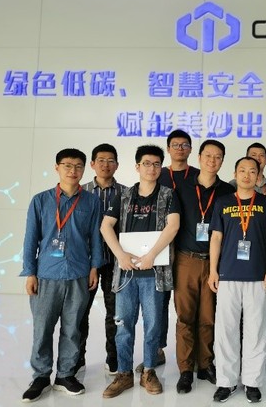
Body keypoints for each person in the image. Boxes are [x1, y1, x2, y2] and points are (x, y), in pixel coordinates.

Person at [21, 148, 103, 402]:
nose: (73, 170)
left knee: (72, 328)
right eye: (67, 165)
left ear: (84, 169)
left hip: (79, 273)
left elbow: (96, 238)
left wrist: (94, 267)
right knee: (42, 328)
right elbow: (30, 239)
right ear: (57, 168)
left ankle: (66, 375)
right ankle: (41, 376)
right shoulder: (40, 201)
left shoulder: (91, 202)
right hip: (46, 274)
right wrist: (30, 272)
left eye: (78, 166)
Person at [101, 145, 180, 398]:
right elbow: (106, 226)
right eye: (146, 163)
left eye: (157, 164)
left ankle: (148, 371)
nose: (152, 168)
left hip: (154, 273)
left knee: (153, 325)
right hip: (126, 274)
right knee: (123, 325)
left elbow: (173, 226)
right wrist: (120, 255)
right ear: (137, 166)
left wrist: (151, 255)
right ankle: (124, 373)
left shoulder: (168, 195)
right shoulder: (123, 196)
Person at [208, 156, 266, 403]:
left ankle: (252, 381)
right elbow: (216, 238)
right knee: (225, 330)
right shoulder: (223, 202)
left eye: (252, 171)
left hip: (257, 275)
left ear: (258, 176)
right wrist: (213, 270)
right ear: (235, 174)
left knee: (256, 330)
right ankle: (226, 382)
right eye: (242, 170)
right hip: (227, 274)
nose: (247, 175)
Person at [174, 140, 235, 393]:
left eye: (218, 157)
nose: (212, 160)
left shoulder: (227, 191)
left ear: (222, 161)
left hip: (214, 262)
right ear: (199, 157)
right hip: (186, 260)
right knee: (185, 317)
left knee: (209, 317)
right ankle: (185, 369)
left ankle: (206, 364)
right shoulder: (182, 188)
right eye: (208, 155)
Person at [138, 129, 198, 373]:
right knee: (158, 302)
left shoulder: (198, 176)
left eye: (185, 145)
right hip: (160, 248)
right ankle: (157, 350)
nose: (180, 149)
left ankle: (194, 354)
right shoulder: (157, 174)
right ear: (168, 148)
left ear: (191, 149)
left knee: (189, 306)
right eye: (175, 145)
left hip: (188, 248)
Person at [78, 143, 127, 375]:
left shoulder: (127, 193)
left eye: (110, 161)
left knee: (115, 313)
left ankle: (113, 356)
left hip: (116, 262)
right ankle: (77, 357)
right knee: (79, 312)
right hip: (85, 263)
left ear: (117, 165)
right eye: (101, 160)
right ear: (92, 164)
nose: (106, 165)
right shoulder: (81, 192)